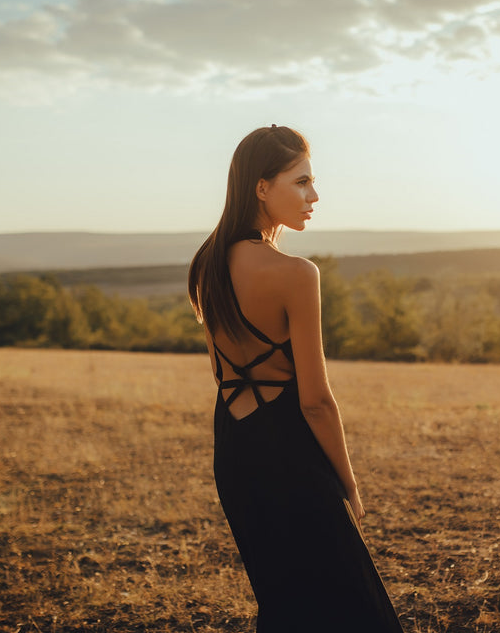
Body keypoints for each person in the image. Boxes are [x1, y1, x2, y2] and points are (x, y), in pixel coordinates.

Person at [188, 125, 404, 632]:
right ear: (262, 188)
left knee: (285, 604)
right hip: (292, 457)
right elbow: (316, 403)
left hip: (234, 453)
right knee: (357, 610)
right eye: (301, 182)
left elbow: (223, 374)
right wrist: (347, 482)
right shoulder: (297, 275)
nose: (314, 195)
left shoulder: (206, 264)